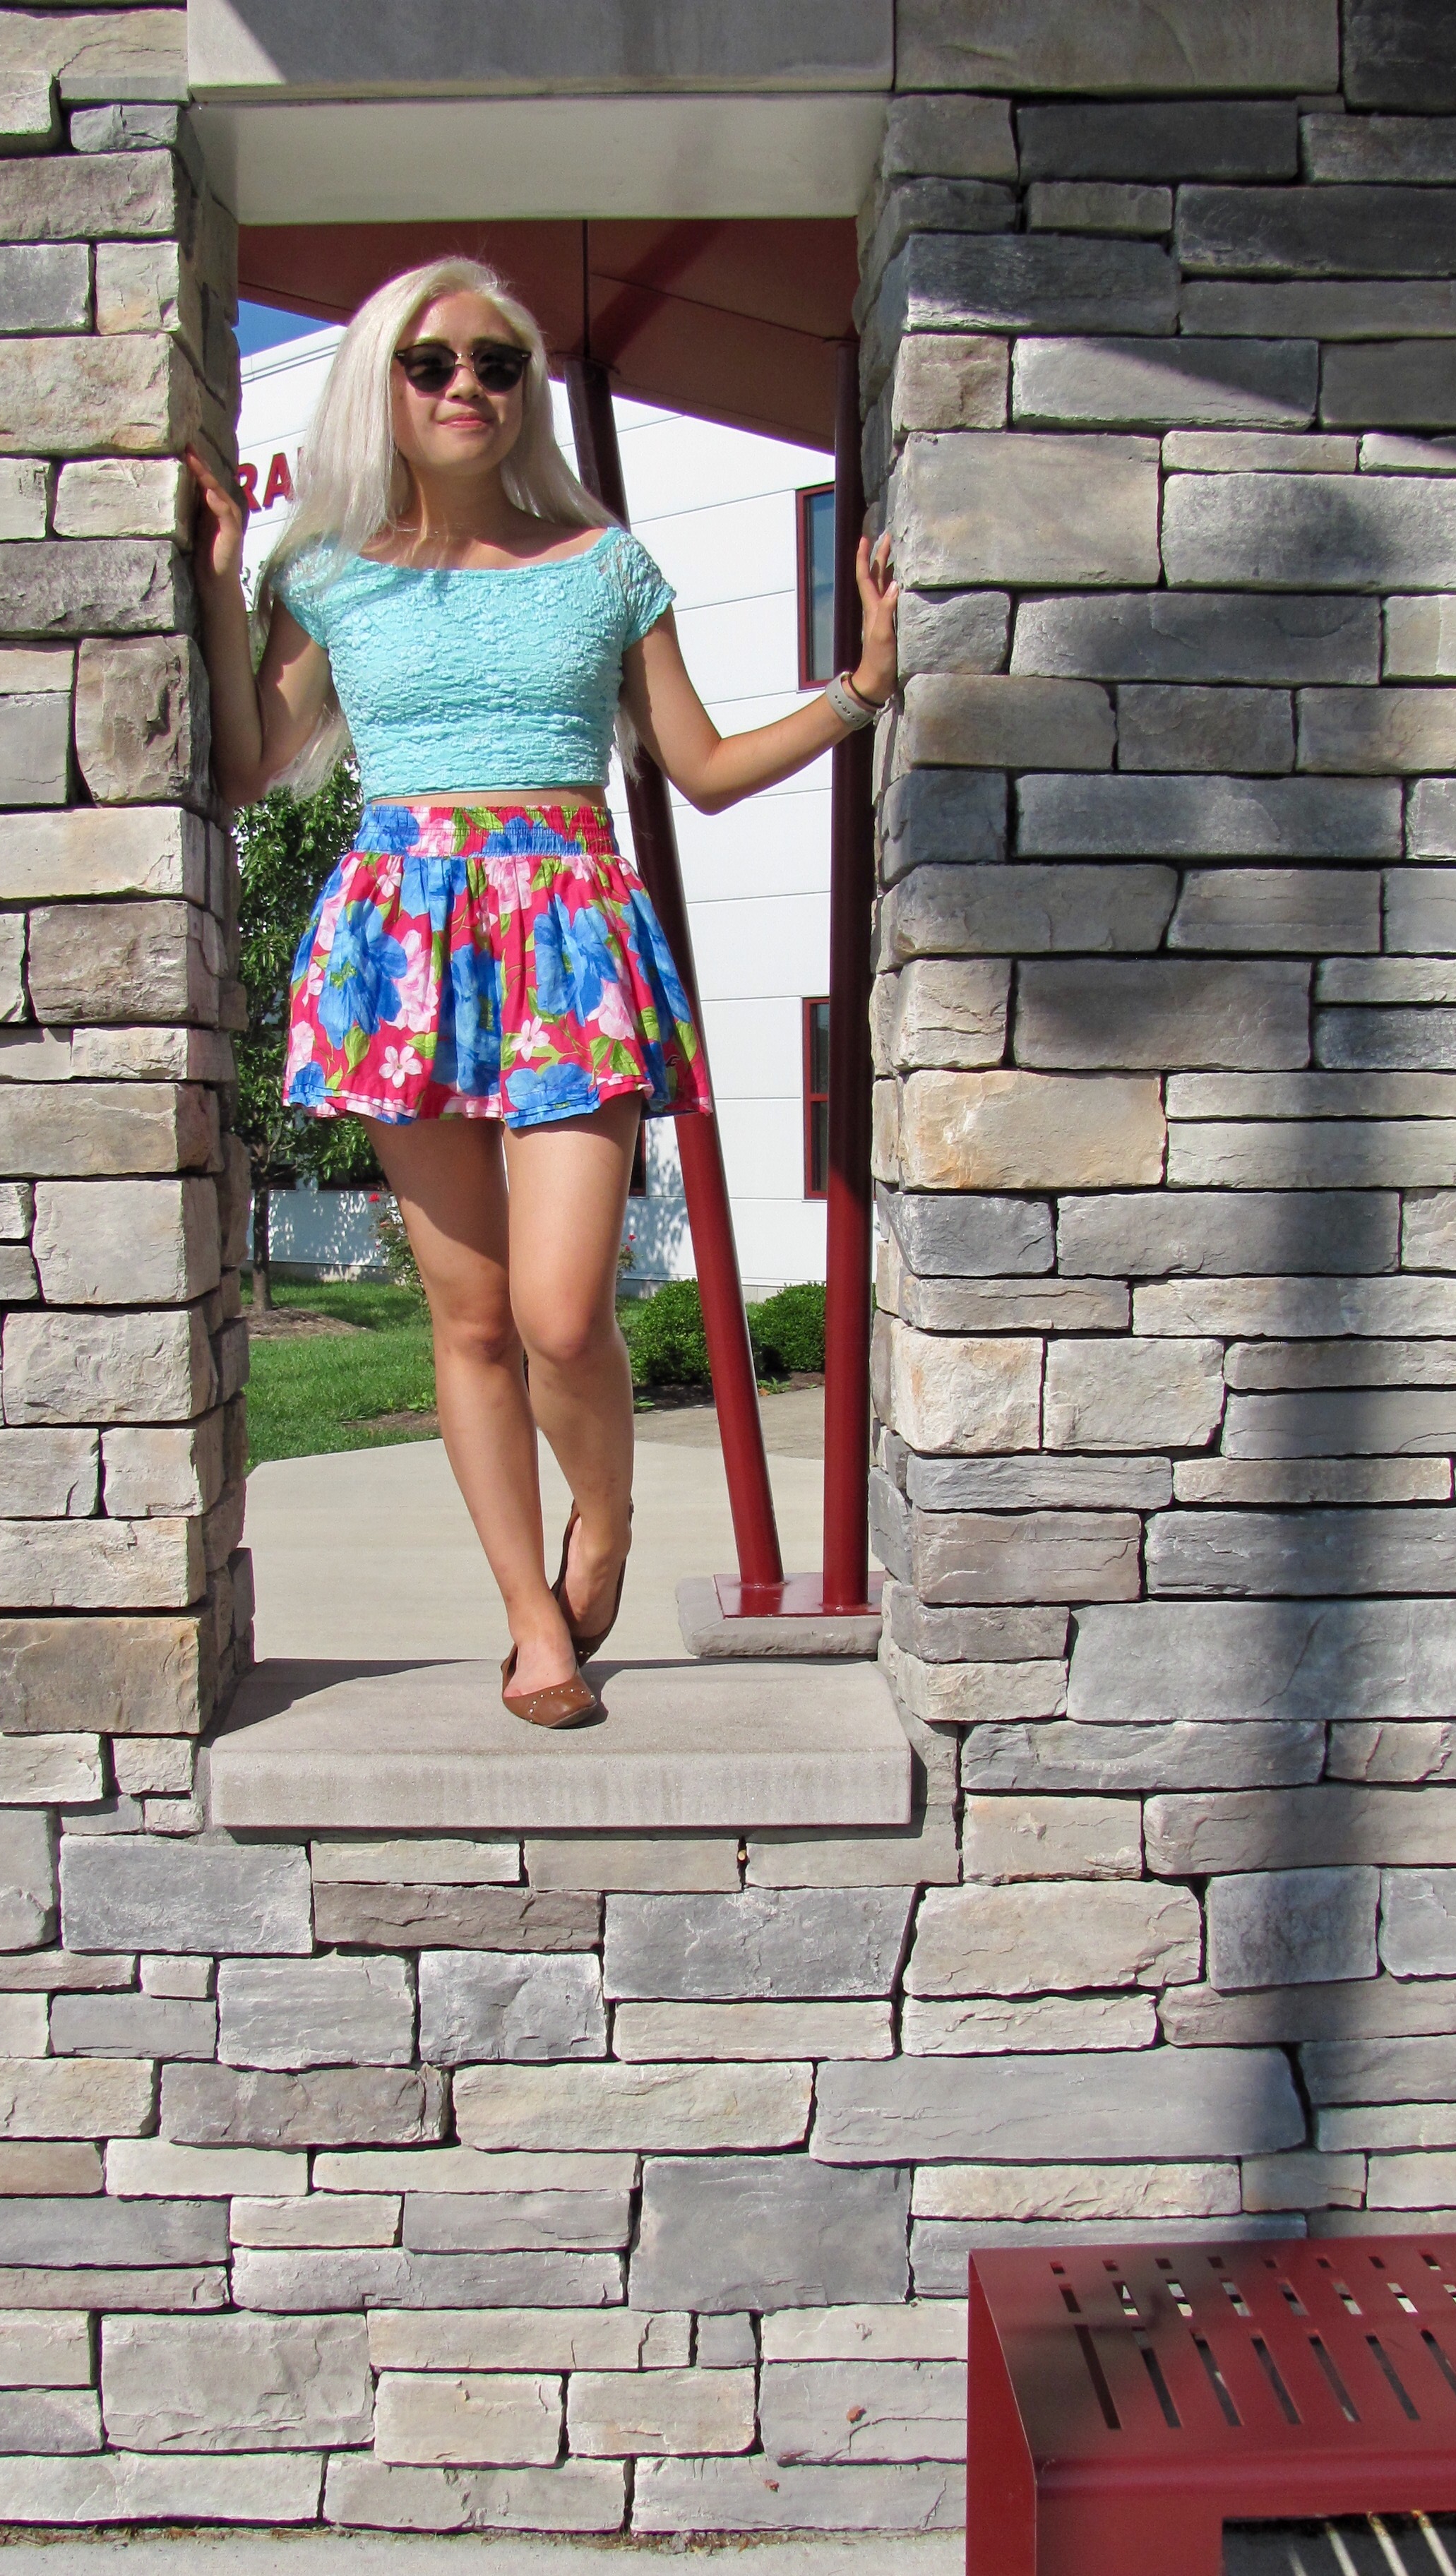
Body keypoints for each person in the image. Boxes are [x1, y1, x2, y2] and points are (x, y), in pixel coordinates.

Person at [187, 256, 898, 1729]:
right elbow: (250, 768)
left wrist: (862, 687)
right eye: (433, 362)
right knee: (471, 1322)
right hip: (403, 946)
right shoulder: (322, 572)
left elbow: (701, 771)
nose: (467, 386)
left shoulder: (605, 566)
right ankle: (532, 1623)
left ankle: (608, 1519)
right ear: (383, 385)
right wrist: (214, 580)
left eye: (498, 363)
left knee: (565, 1315)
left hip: (571, 936)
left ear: (528, 392)